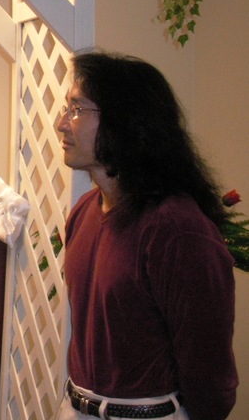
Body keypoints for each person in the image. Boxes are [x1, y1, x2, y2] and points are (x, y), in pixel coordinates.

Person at [55, 51, 237, 420]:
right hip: (75, 407)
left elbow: (209, 373)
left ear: (123, 120)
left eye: (76, 109)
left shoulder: (176, 230)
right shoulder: (85, 212)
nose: (61, 123)